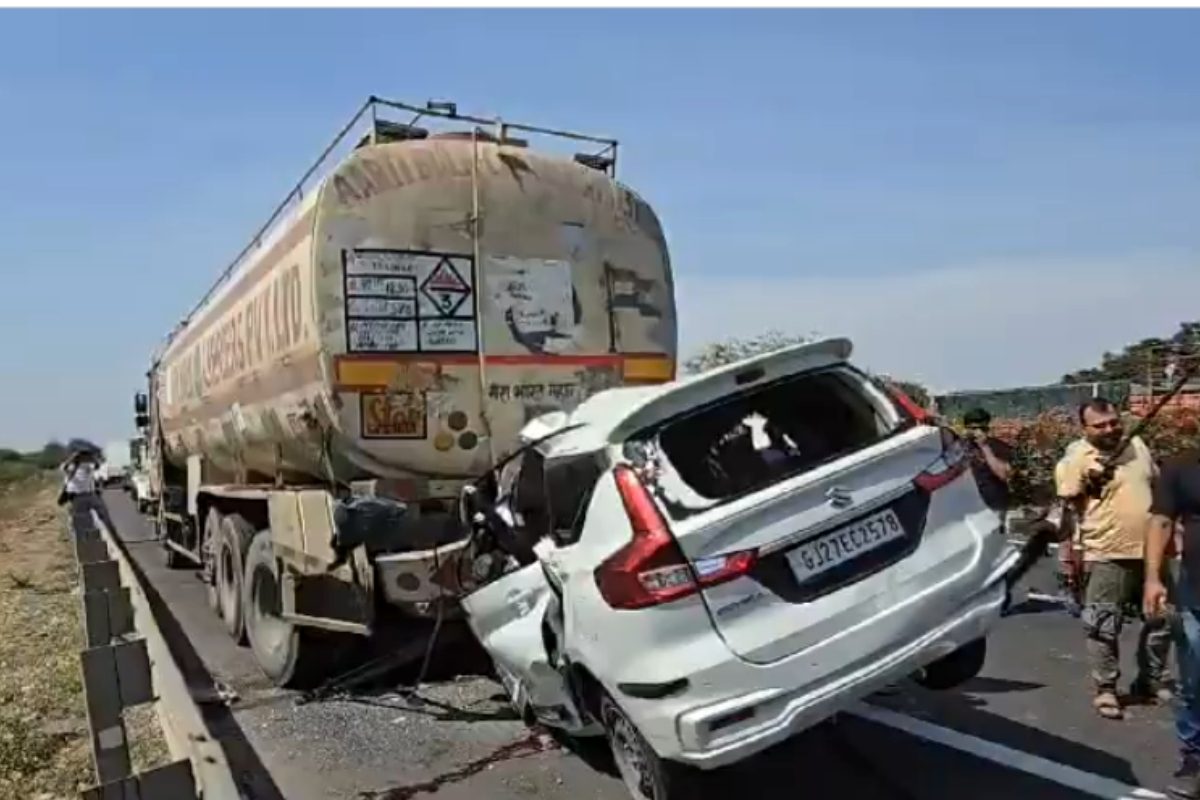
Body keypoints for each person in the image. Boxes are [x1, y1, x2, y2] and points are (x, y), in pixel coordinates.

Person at [1055, 398, 1171, 720]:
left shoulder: (1136, 445)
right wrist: (1089, 481)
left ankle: (1151, 680)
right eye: (1100, 426)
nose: (1110, 430)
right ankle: (1106, 689)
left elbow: (1156, 484)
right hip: (1107, 552)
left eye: (1113, 423)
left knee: (1162, 619)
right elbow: (1068, 499)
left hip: (1151, 548)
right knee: (1103, 625)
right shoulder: (1077, 457)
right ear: (1085, 428)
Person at [1144, 449, 1200, 798]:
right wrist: (1152, 577)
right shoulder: (1182, 465)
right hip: (1196, 593)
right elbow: (1161, 520)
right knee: (1194, 680)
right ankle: (1194, 760)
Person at [962, 408, 1013, 520]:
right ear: (966, 428)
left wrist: (984, 447)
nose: (979, 432)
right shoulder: (959, 448)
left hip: (994, 504)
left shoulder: (999, 446)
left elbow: (1003, 474)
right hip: (968, 505)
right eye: (974, 428)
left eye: (983, 428)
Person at [60, 447, 117, 534]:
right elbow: (64, 468)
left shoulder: (87, 465)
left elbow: (97, 466)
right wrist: (73, 458)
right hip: (76, 496)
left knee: (102, 510)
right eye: (84, 456)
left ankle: (109, 529)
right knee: (78, 516)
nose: (85, 458)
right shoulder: (72, 466)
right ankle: (76, 532)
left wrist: (93, 457)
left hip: (89, 494)